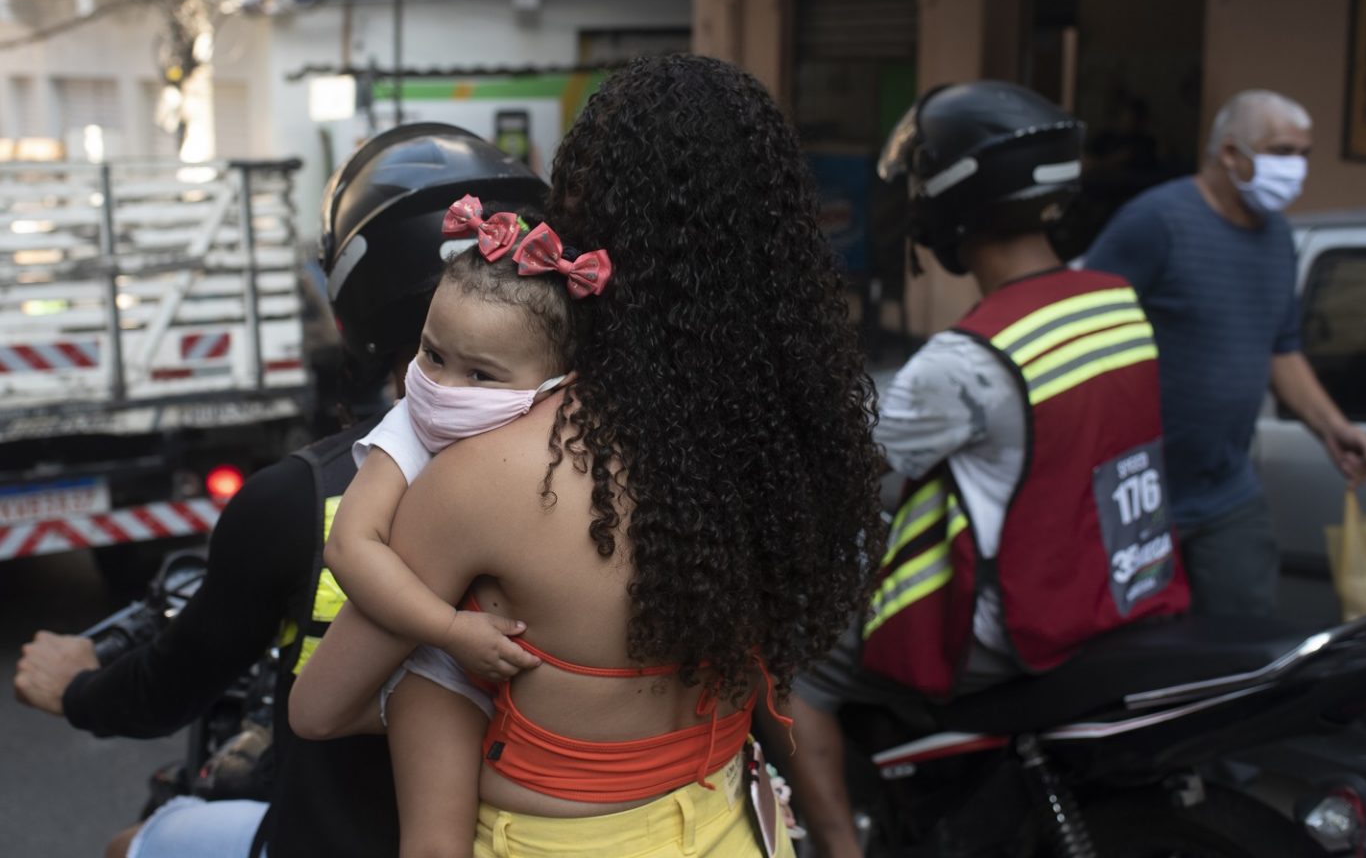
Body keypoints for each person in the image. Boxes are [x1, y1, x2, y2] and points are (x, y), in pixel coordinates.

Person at [288, 53, 888, 858]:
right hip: (734, 826)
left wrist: (459, 682)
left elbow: (319, 710)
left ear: (583, 218)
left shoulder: (490, 476)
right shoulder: (783, 450)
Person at [12, 123, 548, 858]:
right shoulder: (602, 481)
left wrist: (73, 689)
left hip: (330, 840)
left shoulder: (305, 496)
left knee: (131, 845)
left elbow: (168, 690)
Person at [777, 81, 1192, 858]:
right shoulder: (1114, 303)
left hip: (1019, 624)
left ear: (952, 201)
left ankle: (839, 847)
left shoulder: (967, 361)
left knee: (791, 667)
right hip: (1121, 587)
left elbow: (848, 476)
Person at [325, 198, 598, 858]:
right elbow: (349, 545)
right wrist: (448, 632)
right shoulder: (410, 428)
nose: (444, 385)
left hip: (532, 672)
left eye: (480, 374)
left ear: (557, 385)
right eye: (432, 354)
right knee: (438, 837)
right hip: (436, 664)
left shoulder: (560, 446)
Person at [1085, 89, 1366, 617]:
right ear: (1230, 153)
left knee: (1242, 644)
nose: (1296, 168)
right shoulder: (1155, 223)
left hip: (1227, 491)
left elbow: (1280, 349)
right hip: (1138, 494)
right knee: (1135, 653)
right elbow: (1081, 329)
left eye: (1304, 154)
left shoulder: (1276, 239)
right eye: (1283, 152)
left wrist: (1331, 426)